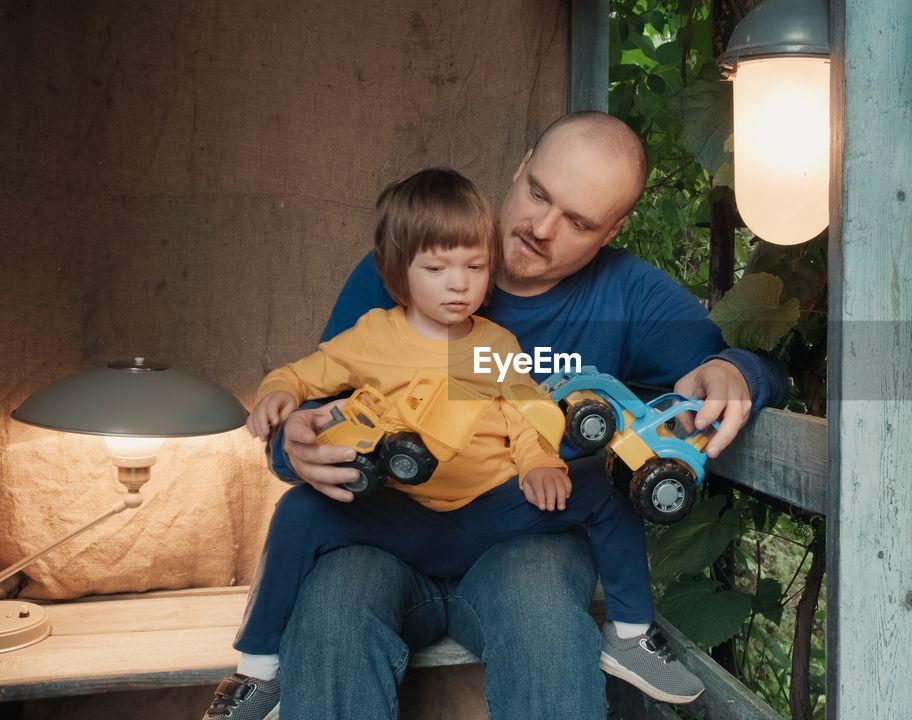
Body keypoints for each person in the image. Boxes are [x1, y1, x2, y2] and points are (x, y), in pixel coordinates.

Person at [264, 112, 788, 720]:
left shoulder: (630, 294)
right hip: (385, 531)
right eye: (539, 193)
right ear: (520, 167)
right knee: (331, 615)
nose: (541, 228)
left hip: (529, 535)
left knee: (544, 619)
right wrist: (292, 450)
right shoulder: (414, 262)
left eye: (578, 222)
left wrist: (737, 373)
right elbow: (307, 405)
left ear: (613, 230)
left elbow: (757, 367)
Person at [201, 168, 707, 720]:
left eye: (474, 267)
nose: (459, 284)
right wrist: (277, 393)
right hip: (402, 515)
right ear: (399, 273)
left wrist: (538, 461)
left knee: (609, 481)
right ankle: (257, 670)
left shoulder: (495, 343)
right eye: (437, 269)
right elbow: (307, 373)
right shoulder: (372, 335)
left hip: (494, 513)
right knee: (298, 511)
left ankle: (631, 634)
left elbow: (525, 408)